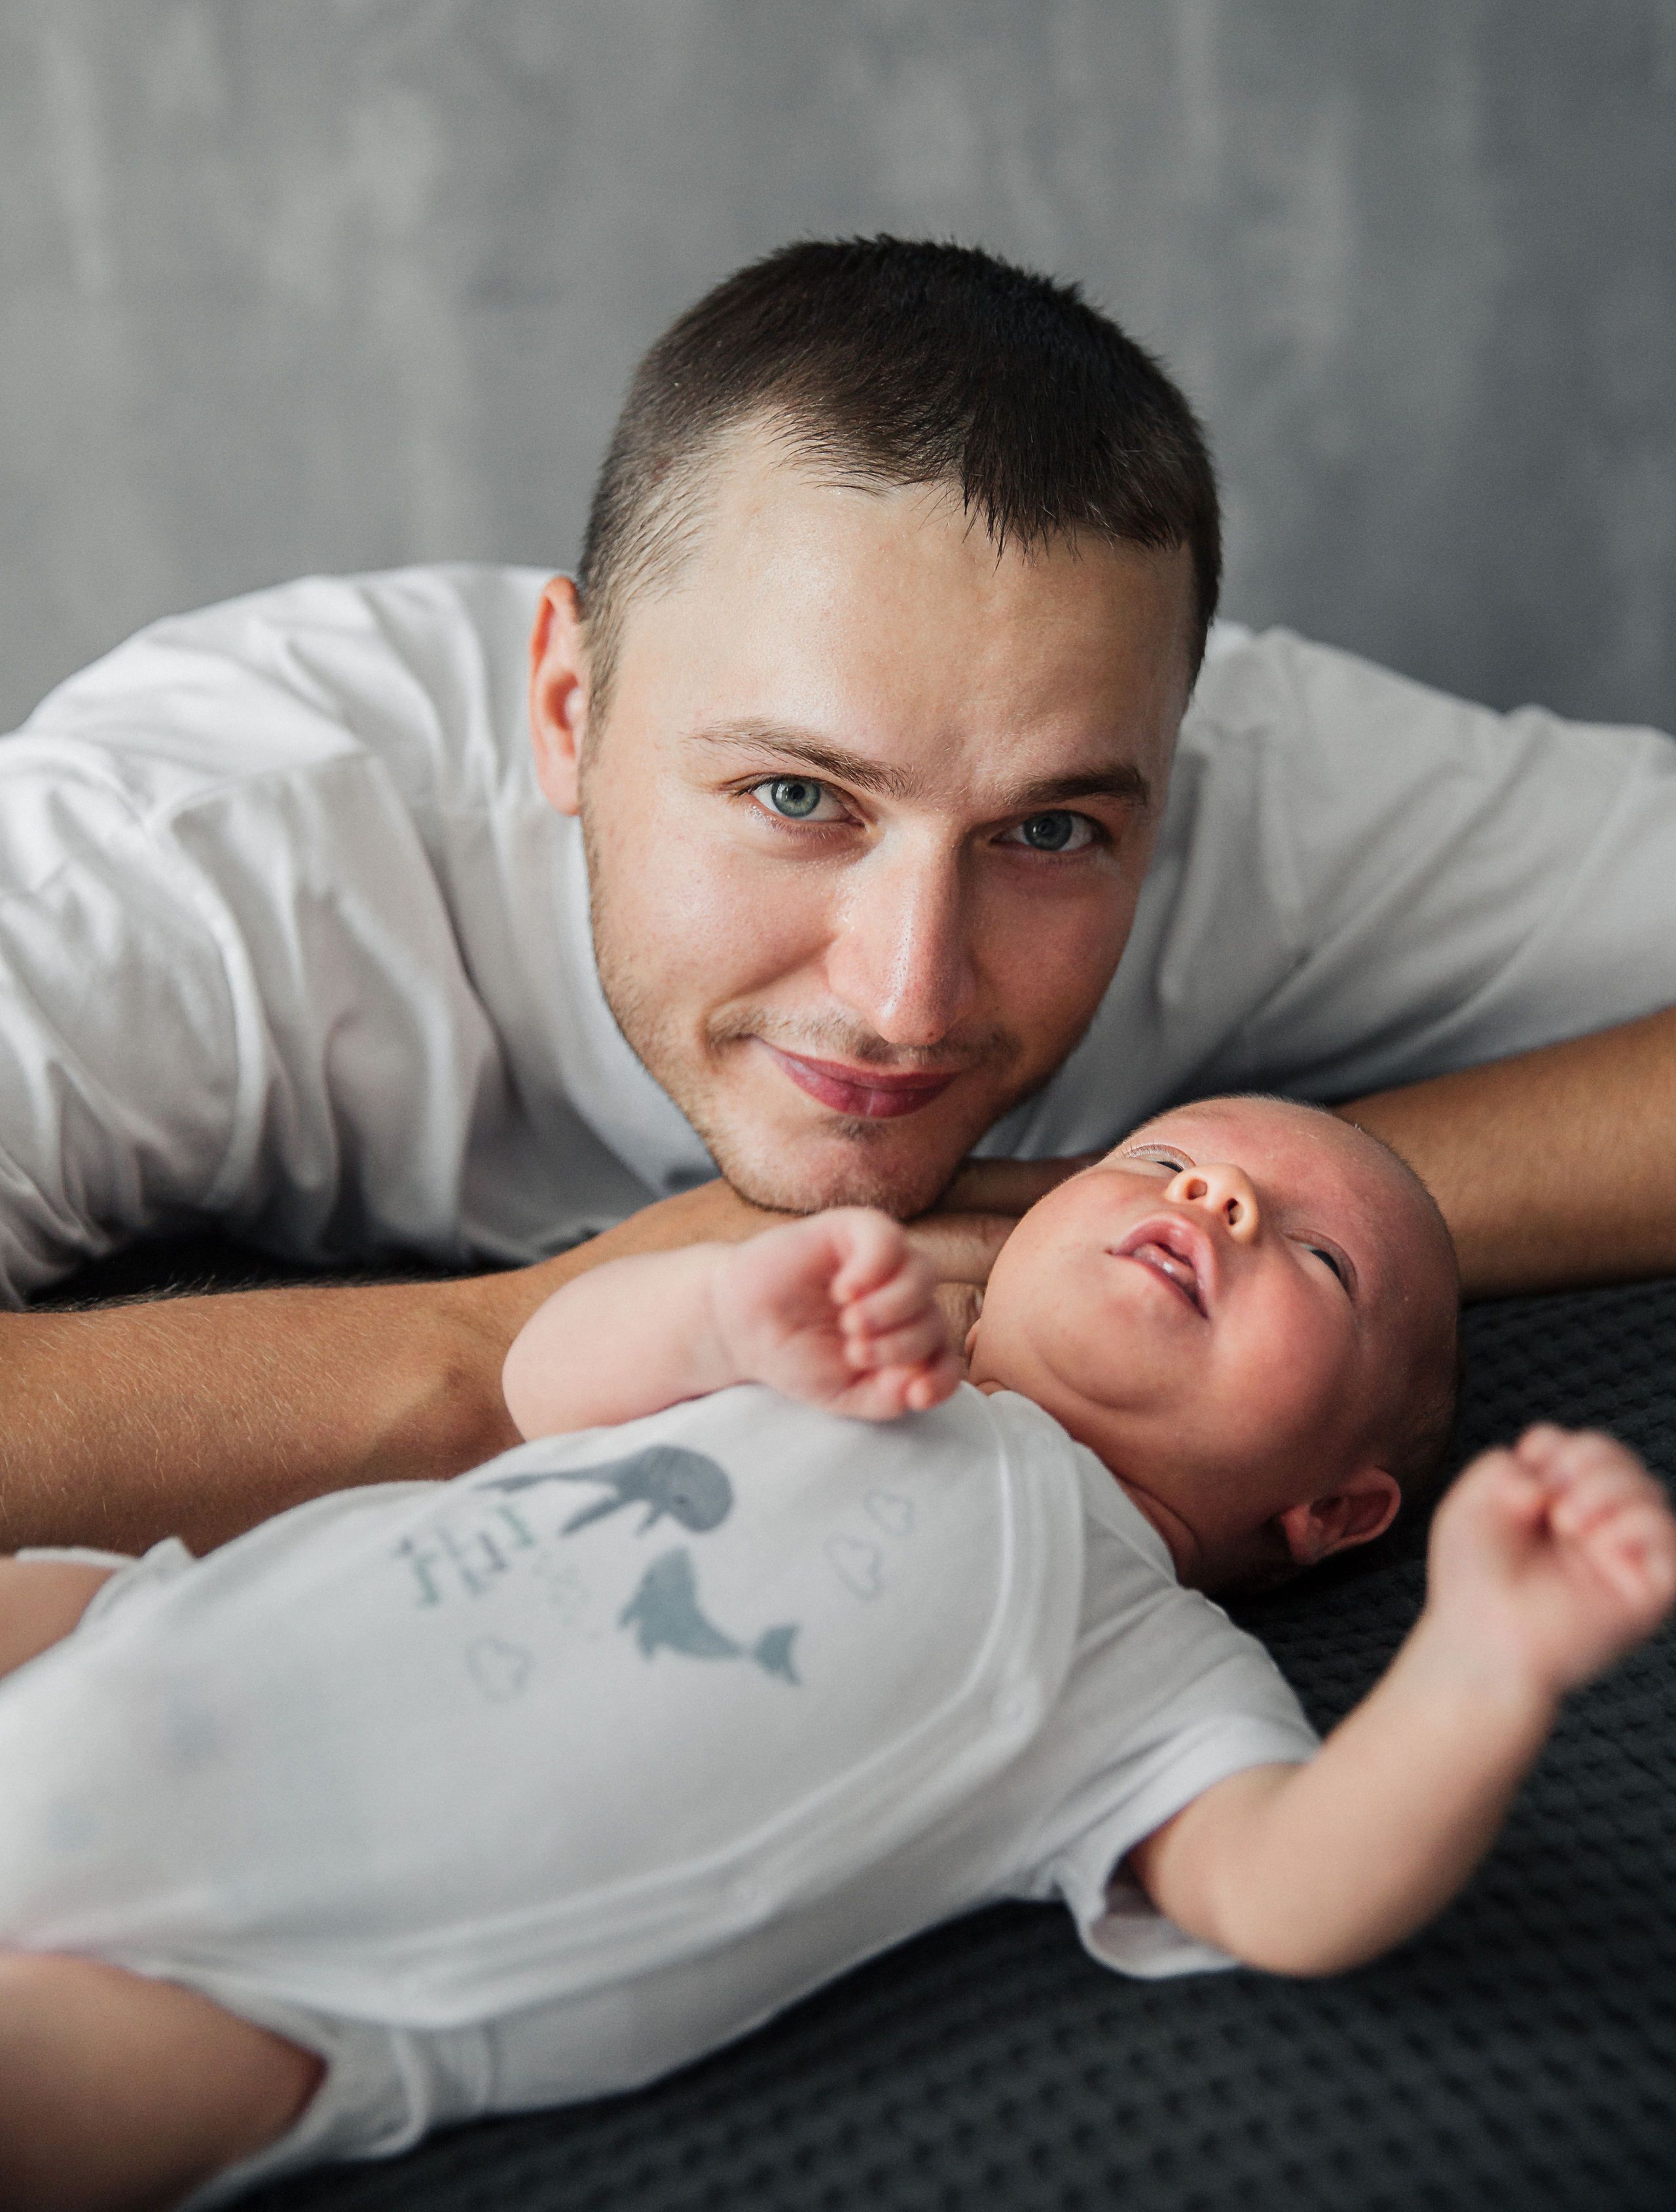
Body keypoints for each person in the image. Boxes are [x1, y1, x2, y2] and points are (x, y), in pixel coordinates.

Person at [3, 239, 1675, 1558]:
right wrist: (522, 1344)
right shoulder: (180, 847)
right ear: (568, 709)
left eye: (1043, 836)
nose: (905, 997)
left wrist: (1281, 1223)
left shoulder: (1244, 776)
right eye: (797, 799)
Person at [0, 1095, 1671, 2212]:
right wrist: (721, 1314)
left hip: (314, 1987)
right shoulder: (830, 1344)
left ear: (1334, 1513)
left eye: (1317, 1256)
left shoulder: (1137, 1661)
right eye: (1161, 1159)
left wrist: (1479, 1667)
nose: (1212, 1197)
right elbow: (540, 1387)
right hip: (136, 1632)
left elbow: (1283, 1887)